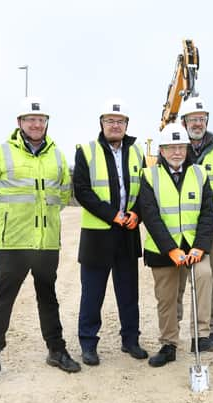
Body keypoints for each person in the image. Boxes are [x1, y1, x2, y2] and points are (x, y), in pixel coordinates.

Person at [0, 96, 80, 386]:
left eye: (41, 119)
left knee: (48, 296)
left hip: (46, 242)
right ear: (19, 123)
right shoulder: (1, 153)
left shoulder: (57, 155)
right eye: (30, 119)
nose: (36, 124)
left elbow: (61, 195)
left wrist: (44, 219)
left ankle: (56, 351)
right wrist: (7, 218)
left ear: (46, 123)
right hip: (14, 243)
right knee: (3, 298)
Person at [73, 98, 147, 366]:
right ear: (101, 124)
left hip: (127, 233)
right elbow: (81, 190)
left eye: (120, 121)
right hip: (98, 235)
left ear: (127, 125)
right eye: (110, 121)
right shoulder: (87, 151)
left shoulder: (137, 153)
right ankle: (88, 344)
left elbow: (145, 189)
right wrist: (112, 214)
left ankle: (130, 341)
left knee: (129, 293)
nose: (115, 125)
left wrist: (136, 214)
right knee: (92, 293)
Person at [139, 123, 213, 367]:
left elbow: (208, 214)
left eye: (180, 147)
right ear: (161, 151)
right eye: (171, 148)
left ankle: (201, 335)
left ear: (187, 149)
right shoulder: (149, 176)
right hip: (164, 250)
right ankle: (168, 344)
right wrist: (170, 248)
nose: (176, 153)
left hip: (194, 247)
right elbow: (150, 216)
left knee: (205, 277)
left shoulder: (200, 174)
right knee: (167, 298)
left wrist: (200, 247)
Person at [176, 96, 213, 351]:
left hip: (212, 227)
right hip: (179, 226)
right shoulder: (173, 145)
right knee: (177, 281)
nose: (198, 123)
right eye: (193, 119)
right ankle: (172, 331)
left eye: (202, 118)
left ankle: (210, 331)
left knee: (209, 279)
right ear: (183, 121)